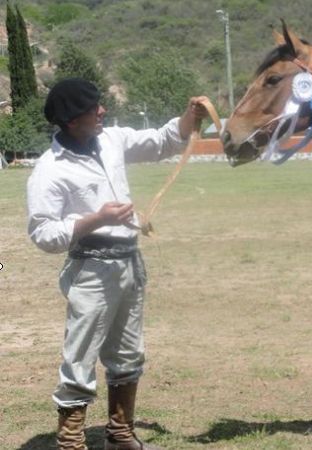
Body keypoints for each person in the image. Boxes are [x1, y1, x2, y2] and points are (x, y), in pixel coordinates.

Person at [27, 78, 209, 450]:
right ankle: (70, 443)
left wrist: (189, 116)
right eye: (94, 108)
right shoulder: (49, 170)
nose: (102, 111)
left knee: (128, 354)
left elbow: (161, 142)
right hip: (91, 270)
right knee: (79, 359)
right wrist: (97, 219)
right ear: (72, 120)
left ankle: (120, 436)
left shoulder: (110, 140)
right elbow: (43, 234)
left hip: (129, 263)